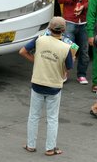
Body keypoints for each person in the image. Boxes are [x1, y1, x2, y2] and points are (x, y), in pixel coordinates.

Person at [19, 17, 73, 157]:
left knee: (34, 115)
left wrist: (37, 61)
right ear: (63, 30)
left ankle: (30, 145)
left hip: (37, 83)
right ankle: (50, 148)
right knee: (53, 118)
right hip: (54, 86)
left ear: (49, 28)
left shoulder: (40, 39)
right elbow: (68, 67)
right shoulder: (66, 47)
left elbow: (22, 51)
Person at [58, 0, 95, 84]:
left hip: (84, 21)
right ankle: (64, 74)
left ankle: (81, 75)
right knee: (68, 50)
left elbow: (92, 0)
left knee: (84, 51)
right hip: (69, 21)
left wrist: (83, 7)